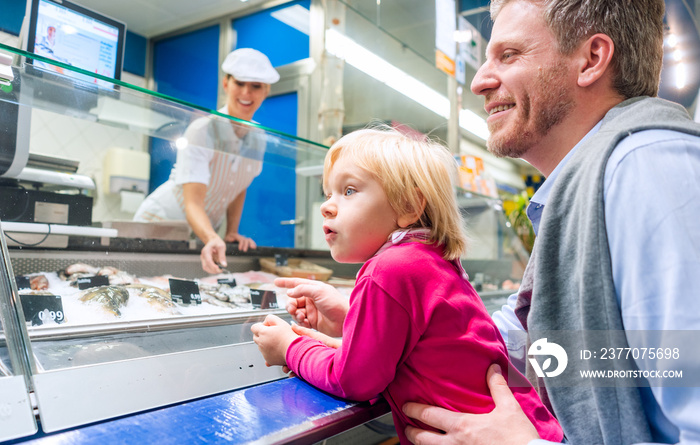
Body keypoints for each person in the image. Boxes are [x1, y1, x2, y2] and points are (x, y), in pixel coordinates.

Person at [276, 1, 700, 443]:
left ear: (591, 59)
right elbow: (583, 351)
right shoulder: (586, 188)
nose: (479, 80)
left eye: (509, 54)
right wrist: (369, 320)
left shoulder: (646, 170)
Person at [250, 128, 564, 444]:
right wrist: (351, 316)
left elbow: (354, 380)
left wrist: (289, 347)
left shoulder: (389, 269)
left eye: (348, 191)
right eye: (327, 192)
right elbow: (425, 344)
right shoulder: (428, 258)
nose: (326, 206)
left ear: (409, 207)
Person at [134, 48, 279, 273]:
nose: (246, 93)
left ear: (266, 90)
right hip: (161, 223)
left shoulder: (259, 139)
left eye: (256, 86)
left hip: (202, 234)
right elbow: (193, 202)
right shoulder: (202, 130)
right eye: (239, 83)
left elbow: (239, 186)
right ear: (225, 84)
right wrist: (212, 236)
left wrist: (231, 231)